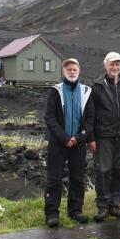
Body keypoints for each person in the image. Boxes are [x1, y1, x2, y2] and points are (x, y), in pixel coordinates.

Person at [43, 58, 94, 227]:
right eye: (68, 69)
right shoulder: (55, 91)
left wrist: (79, 137)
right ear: (63, 71)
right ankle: (51, 214)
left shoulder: (87, 92)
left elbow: (90, 119)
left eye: (74, 69)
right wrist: (65, 137)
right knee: (54, 179)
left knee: (78, 178)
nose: (72, 72)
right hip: (58, 142)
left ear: (79, 71)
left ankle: (75, 211)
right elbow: (49, 117)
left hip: (78, 143)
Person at [88, 52, 120, 222]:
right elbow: (91, 113)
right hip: (104, 135)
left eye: (117, 64)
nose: (114, 67)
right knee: (103, 170)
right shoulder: (97, 85)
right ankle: (102, 205)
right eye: (112, 64)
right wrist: (91, 137)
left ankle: (116, 204)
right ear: (105, 65)